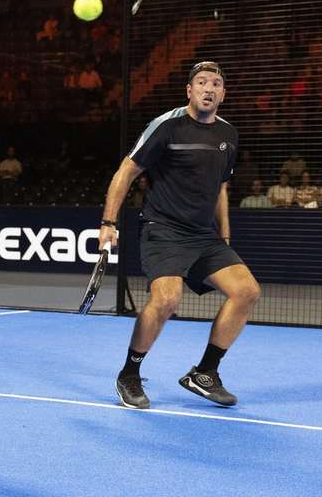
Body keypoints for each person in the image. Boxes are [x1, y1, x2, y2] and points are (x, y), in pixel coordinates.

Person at [98, 61, 260, 410]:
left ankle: (204, 374)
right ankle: (129, 374)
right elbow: (126, 171)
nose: (208, 88)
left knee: (246, 291)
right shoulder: (166, 126)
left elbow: (220, 189)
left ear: (223, 94)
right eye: (201, 82)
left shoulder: (228, 135)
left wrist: (226, 235)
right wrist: (108, 223)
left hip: (204, 234)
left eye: (216, 83)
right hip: (164, 229)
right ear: (189, 90)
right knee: (168, 299)